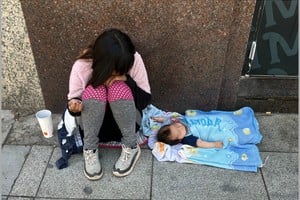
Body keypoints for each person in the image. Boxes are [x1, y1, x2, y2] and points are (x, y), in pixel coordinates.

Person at [67, 28, 151, 180]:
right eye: (114, 70)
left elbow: (145, 100)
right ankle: (90, 149)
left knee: (118, 87)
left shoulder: (132, 58)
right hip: (93, 130)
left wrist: (127, 80)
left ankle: (131, 147)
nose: (117, 73)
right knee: (94, 89)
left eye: (122, 69)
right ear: (102, 63)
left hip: (127, 127)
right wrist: (74, 106)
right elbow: (74, 100)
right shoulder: (83, 64)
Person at [153, 117, 223, 148]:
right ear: (179, 140)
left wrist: (159, 119)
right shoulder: (188, 138)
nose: (180, 128)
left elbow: (167, 120)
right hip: (210, 128)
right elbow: (201, 143)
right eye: (179, 133)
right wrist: (214, 144)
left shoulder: (178, 121)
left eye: (177, 126)